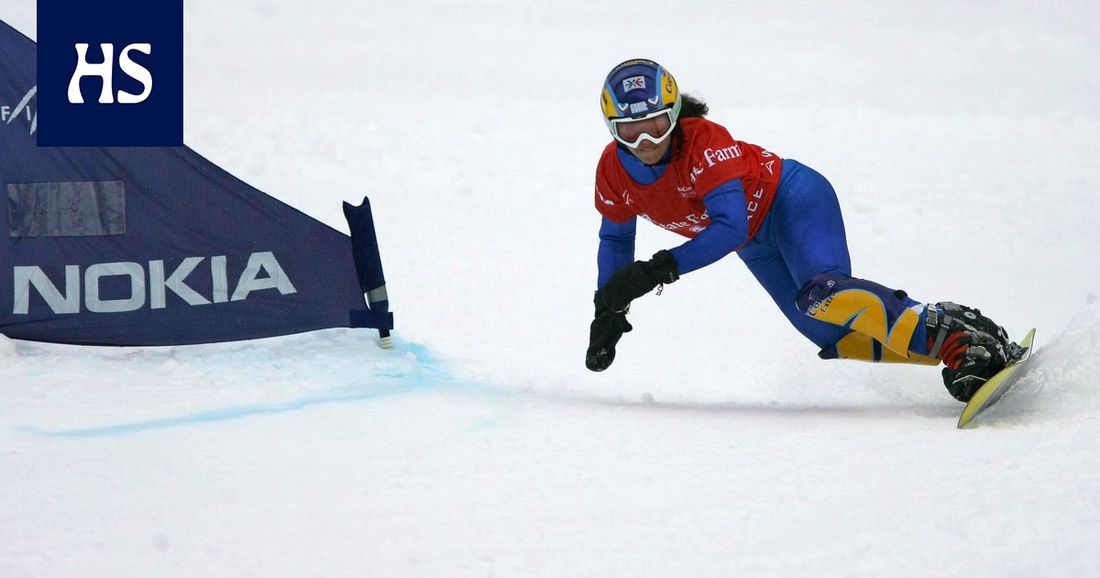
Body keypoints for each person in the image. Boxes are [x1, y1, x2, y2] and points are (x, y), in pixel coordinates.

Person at [585, 58, 1022, 402]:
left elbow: (730, 226)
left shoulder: (703, 140)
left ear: (675, 114)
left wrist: (656, 270)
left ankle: (960, 342)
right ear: (612, 130)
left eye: (657, 125)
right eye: (630, 131)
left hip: (790, 200)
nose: (646, 142)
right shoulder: (612, 170)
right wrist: (609, 307)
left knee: (823, 294)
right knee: (832, 333)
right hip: (754, 242)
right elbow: (616, 238)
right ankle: (956, 338)